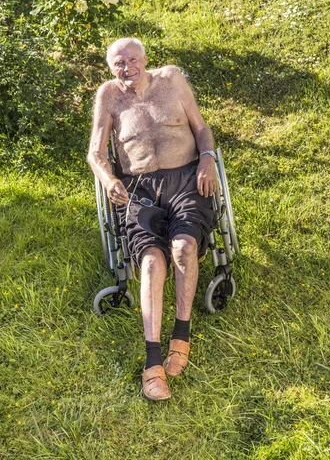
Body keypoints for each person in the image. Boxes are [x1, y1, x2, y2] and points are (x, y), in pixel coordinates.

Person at [87, 37, 217, 401]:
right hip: (138, 187)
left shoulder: (172, 79)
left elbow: (201, 128)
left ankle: (182, 334)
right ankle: (153, 361)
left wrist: (207, 157)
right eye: (118, 63)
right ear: (111, 67)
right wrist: (110, 178)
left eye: (131, 59)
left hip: (186, 179)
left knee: (184, 247)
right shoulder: (109, 96)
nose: (126, 67)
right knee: (149, 263)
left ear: (145, 59)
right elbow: (96, 153)